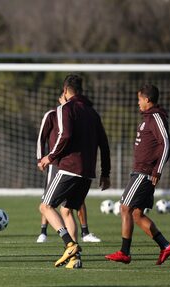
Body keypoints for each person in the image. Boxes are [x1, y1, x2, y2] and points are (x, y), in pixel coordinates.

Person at [38, 74, 111, 269]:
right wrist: (106, 173)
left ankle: (69, 244)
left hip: (70, 168)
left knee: (45, 207)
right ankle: (75, 259)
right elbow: (104, 143)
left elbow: (65, 135)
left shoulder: (65, 109)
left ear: (65, 91)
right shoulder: (92, 112)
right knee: (67, 211)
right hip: (87, 172)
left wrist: (50, 157)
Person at [105, 84, 170, 265]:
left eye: (139, 99)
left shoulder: (156, 117)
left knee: (124, 207)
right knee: (136, 214)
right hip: (140, 171)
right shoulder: (147, 118)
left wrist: (157, 170)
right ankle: (165, 246)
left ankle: (124, 252)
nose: (138, 103)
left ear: (147, 100)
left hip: (144, 173)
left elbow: (166, 144)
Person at [36, 95, 102, 244]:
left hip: (70, 166)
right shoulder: (53, 114)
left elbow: (67, 136)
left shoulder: (78, 116)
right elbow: (42, 137)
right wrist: (41, 159)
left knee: (50, 205)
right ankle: (44, 232)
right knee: (57, 205)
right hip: (58, 164)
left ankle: (74, 241)